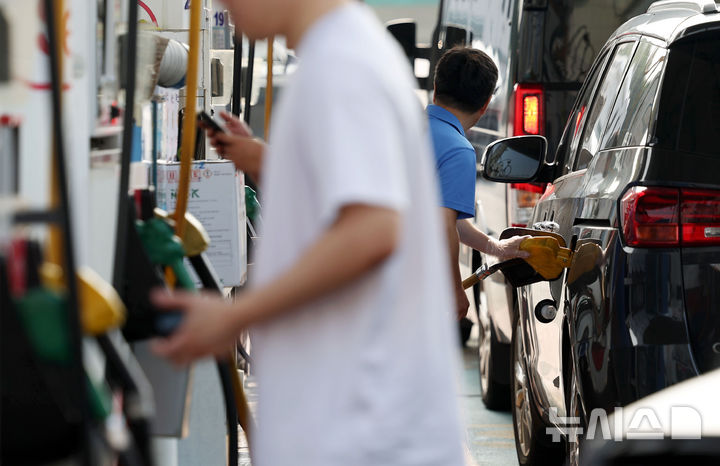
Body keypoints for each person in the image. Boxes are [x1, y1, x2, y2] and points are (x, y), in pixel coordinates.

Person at [152, 0, 465, 465]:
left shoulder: (340, 67)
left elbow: (374, 229)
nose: (220, 6)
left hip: (360, 431)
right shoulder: (346, 54)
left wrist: (234, 318)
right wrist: (264, 159)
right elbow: (348, 193)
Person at [428, 47, 529, 321]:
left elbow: (450, 219)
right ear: (485, 105)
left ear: (436, 87)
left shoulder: (403, 126)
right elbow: (443, 223)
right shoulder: (458, 150)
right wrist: (454, 289)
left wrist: (497, 248)